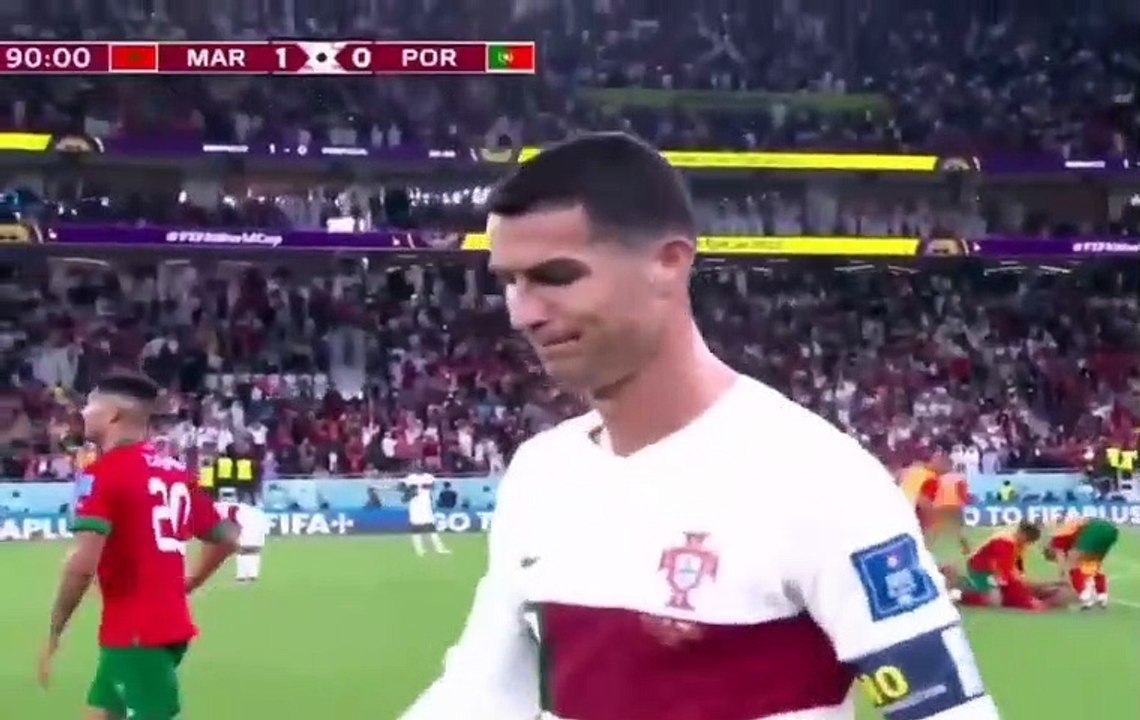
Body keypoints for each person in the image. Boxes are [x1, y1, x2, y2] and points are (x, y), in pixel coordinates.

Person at [400, 133, 998, 720]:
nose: (524, 313)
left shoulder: (818, 480)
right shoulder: (542, 473)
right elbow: (482, 695)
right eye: (509, 281)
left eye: (556, 277)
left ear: (668, 263)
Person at [37, 373, 239, 720]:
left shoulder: (103, 474)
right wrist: (188, 584)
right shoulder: (175, 472)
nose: (83, 412)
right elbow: (227, 537)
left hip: (135, 633)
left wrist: (56, 629)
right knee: (102, 714)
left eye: (90, 406)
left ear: (112, 415)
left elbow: (81, 566)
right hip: (167, 625)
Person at [948, 521, 1067, 611]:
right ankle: (959, 594)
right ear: (1024, 534)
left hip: (993, 570)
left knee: (1008, 593)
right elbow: (1000, 569)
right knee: (994, 602)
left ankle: (968, 588)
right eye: (1029, 540)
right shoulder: (1007, 542)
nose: (1029, 544)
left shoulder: (1018, 543)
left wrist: (1020, 581)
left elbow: (1015, 568)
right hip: (982, 570)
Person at [1043, 517, 1119, 609]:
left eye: (1054, 557)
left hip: (1094, 528)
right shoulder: (1067, 538)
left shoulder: (1057, 541)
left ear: (1050, 550)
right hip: (1111, 530)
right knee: (1095, 565)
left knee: (1073, 563)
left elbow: (1063, 567)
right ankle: (1102, 597)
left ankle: (1085, 596)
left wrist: (1064, 581)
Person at [216, 498, 272, 582]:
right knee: (254, 555)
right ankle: (253, 574)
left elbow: (236, 521)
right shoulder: (260, 513)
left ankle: (241, 575)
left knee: (242, 554)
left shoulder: (241, 511)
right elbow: (266, 527)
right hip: (257, 538)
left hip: (245, 537)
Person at [406, 469, 449, 556]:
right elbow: (407, 488)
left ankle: (440, 549)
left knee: (432, 529)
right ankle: (419, 550)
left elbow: (432, 486)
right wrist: (417, 488)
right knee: (416, 530)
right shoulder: (411, 477)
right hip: (415, 506)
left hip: (426, 506)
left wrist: (421, 486)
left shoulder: (428, 477)